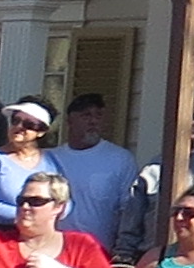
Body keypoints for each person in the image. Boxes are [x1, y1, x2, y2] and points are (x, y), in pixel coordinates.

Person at [47, 93, 149, 258]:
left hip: (100, 253)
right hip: (54, 253)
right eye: (86, 115)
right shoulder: (50, 159)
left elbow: (129, 211)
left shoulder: (120, 159)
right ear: (70, 120)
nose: (93, 121)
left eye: (98, 115)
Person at [0, 96, 58, 230]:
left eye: (29, 124)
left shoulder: (52, 160)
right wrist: (30, 216)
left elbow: (65, 201)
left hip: (39, 237)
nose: (19, 127)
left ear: (41, 132)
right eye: (15, 120)